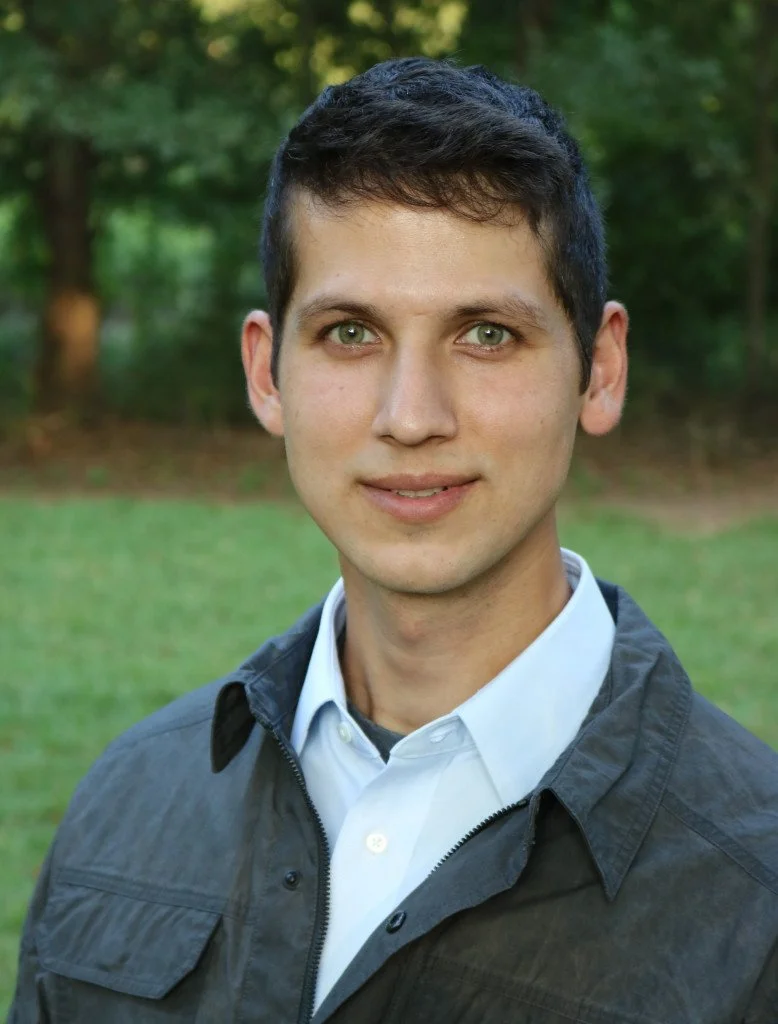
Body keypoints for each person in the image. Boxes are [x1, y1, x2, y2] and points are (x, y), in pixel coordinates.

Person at [8, 57, 778, 1024]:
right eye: (349, 334)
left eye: (487, 334)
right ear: (266, 372)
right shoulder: (127, 806)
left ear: (600, 368)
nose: (411, 417)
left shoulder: (757, 893)